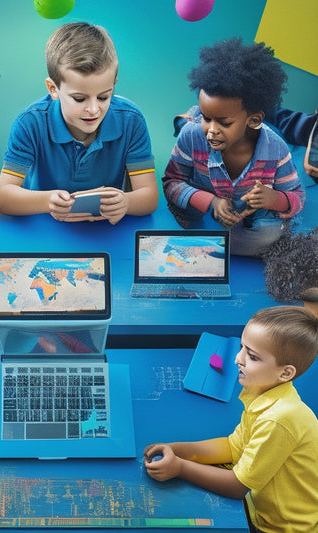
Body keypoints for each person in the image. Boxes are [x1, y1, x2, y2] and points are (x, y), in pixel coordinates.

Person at [144, 306, 318, 533]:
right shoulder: (264, 393)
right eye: (242, 348)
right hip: (260, 506)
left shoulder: (278, 419)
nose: (238, 359)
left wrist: (180, 468)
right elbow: (233, 447)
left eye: (252, 356)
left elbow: (237, 487)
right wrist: (179, 449)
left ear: (285, 373)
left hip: (281, 527)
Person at [0, 22, 158, 225]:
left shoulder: (131, 121)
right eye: (80, 99)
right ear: (53, 89)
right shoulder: (30, 123)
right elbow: (2, 198)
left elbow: (149, 197)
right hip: (45, 228)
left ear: (114, 84)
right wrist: (49, 201)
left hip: (105, 231)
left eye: (104, 97)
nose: (93, 109)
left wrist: (126, 202)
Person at [163, 38, 304, 256]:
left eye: (224, 123)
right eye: (206, 117)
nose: (211, 130)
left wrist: (273, 199)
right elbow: (171, 182)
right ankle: (190, 117)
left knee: (267, 237)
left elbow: (296, 197)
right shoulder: (192, 136)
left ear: (254, 120)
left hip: (249, 216)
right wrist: (211, 202)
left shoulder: (276, 149)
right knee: (185, 214)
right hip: (207, 202)